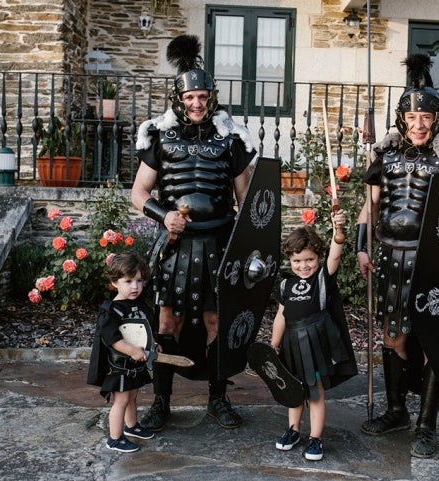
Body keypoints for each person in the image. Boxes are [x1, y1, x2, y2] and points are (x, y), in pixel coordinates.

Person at [355, 54, 439, 458]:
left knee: (434, 342)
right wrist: (362, 247)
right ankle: (397, 410)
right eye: (412, 117)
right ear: (402, 119)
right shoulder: (385, 159)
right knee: (393, 338)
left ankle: (426, 426)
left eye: (426, 117)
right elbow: (370, 207)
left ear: (437, 119)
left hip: (434, 262)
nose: (418, 124)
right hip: (393, 260)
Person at [131, 34, 256, 432]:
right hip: (175, 245)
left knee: (216, 323)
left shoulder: (230, 141)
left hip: (218, 243)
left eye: (203, 96)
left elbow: (247, 199)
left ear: (211, 97)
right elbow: (139, 192)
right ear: (179, 100)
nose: (197, 104)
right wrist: (164, 216)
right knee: (168, 324)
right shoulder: (160, 138)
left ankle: (219, 399)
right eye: (190, 98)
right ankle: (162, 402)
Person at [270, 210, 358, 461]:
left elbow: (335, 255)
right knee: (294, 391)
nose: (303, 266)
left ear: (317, 258)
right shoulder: (286, 284)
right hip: (291, 344)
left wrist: (338, 233)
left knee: (315, 391)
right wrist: (274, 345)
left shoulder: (322, 278)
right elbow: (281, 316)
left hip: (314, 345)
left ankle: (316, 438)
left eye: (309, 260)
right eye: (297, 261)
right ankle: (293, 430)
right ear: (290, 259)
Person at [87, 251, 155, 453]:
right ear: (115, 282)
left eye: (139, 280)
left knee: (133, 396)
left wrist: (154, 344)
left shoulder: (140, 305)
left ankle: (132, 426)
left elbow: (145, 329)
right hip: (121, 366)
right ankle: (115, 439)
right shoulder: (112, 310)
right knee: (121, 400)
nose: (135, 286)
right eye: (128, 281)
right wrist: (132, 351)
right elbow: (113, 339)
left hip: (136, 364)